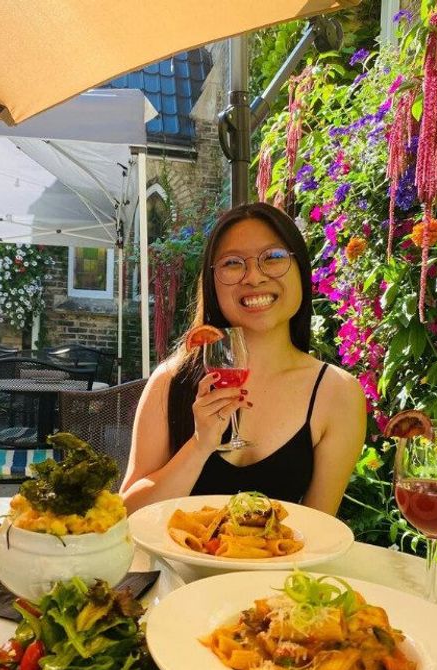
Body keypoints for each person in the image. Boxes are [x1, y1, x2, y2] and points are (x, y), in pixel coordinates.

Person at [120, 202, 367, 516]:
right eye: (233, 263)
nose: (254, 277)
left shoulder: (338, 393)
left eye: (273, 257)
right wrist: (199, 445)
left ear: (301, 269)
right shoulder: (171, 380)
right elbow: (126, 516)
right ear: (212, 281)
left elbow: (320, 529)